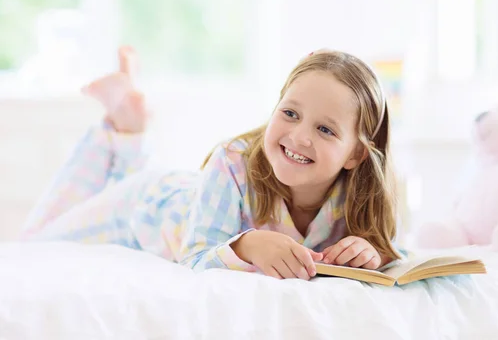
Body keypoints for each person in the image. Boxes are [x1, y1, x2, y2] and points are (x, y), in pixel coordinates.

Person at [21, 46, 402, 281]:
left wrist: (370, 252)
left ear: (355, 154)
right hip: (148, 207)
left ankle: (127, 122)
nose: (300, 136)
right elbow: (195, 257)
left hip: (191, 193)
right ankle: (124, 127)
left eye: (325, 129)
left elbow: (389, 250)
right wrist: (249, 246)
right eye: (289, 113)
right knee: (33, 244)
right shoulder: (232, 161)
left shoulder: (357, 195)